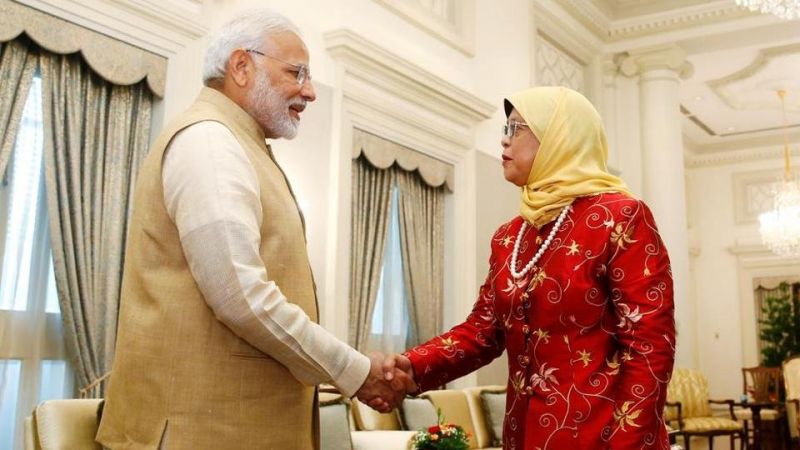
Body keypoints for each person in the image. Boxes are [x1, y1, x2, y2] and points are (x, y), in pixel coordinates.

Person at [96, 9, 412, 450]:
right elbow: (239, 293)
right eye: (296, 72)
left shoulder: (239, 143)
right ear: (241, 67)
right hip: (199, 434)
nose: (310, 91)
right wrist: (355, 371)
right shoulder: (210, 141)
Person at [383, 86, 676, 450]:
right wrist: (411, 366)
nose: (504, 142)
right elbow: (482, 332)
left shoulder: (621, 216)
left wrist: (628, 442)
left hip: (602, 437)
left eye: (517, 128)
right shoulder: (510, 237)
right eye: (505, 129)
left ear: (559, 138)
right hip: (523, 435)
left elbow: (650, 347)